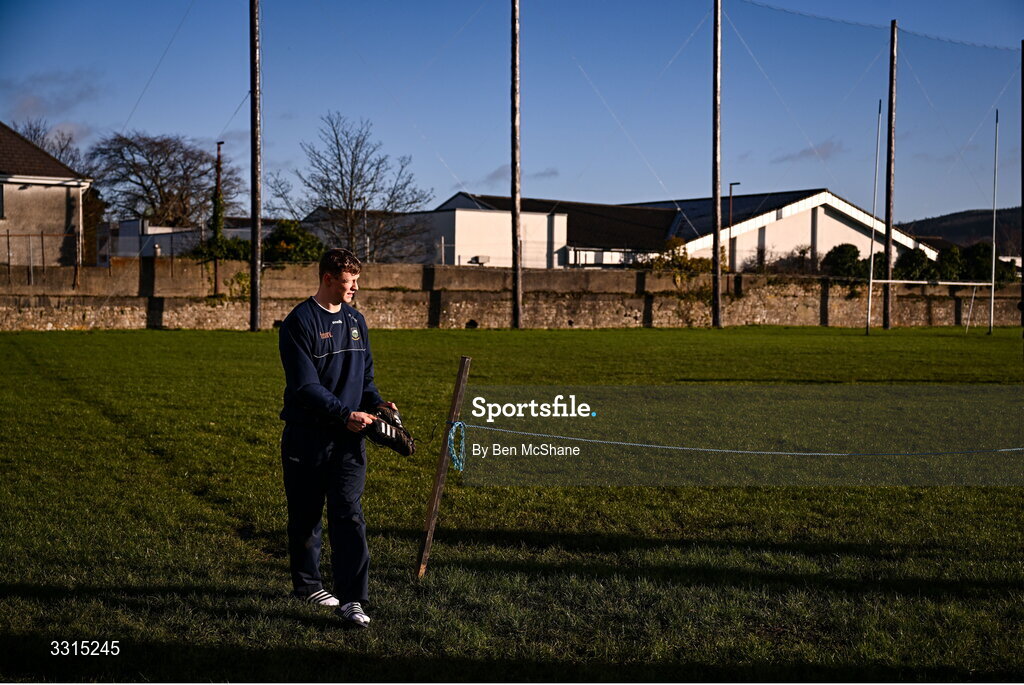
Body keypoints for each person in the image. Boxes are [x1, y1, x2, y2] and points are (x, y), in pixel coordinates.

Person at [277, 248, 394, 629]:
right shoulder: (299, 323)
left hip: (349, 441)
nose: (355, 287)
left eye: (357, 279)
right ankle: (308, 585)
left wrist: (378, 404)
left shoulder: (357, 321)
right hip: (307, 438)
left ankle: (353, 600)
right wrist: (344, 414)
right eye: (348, 280)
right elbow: (305, 386)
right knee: (307, 517)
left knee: (349, 516)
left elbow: (366, 379)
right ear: (328, 279)